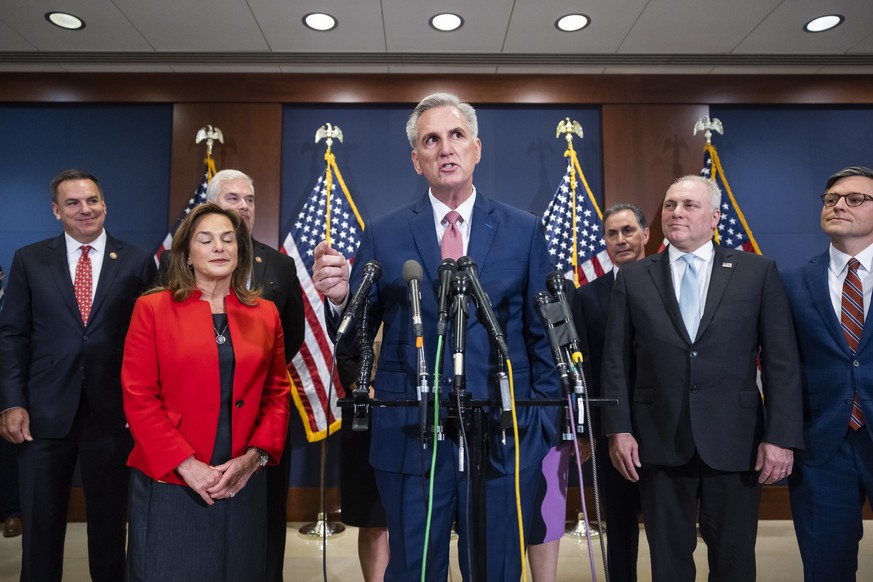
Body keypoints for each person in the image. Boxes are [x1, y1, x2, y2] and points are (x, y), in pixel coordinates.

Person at [311, 92, 560, 581]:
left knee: (496, 569)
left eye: (456, 136)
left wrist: (539, 428)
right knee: (415, 569)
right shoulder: (384, 233)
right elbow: (357, 341)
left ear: (477, 148)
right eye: (431, 140)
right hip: (411, 437)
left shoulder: (523, 229)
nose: (445, 148)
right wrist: (343, 299)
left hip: (502, 437)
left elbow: (542, 336)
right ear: (416, 159)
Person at [602, 175, 803, 582]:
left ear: (714, 217)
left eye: (689, 205)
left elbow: (782, 362)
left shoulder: (757, 271)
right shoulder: (634, 277)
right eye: (671, 205)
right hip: (658, 442)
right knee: (668, 564)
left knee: (734, 562)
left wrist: (781, 436)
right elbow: (616, 362)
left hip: (736, 443)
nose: (677, 213)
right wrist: (618, 430)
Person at [0, 169, 156, 581]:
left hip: (113, 415)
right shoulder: (29, 260)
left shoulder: (139, 260)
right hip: (42, 414)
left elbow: (154, 341)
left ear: (105, 204)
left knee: (109, 527)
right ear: (56, 211)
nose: (84, 209)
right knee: (40, 527)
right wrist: (12, 402)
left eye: (92, 201)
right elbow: (12, 337)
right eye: (72, 203)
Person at [122, 203, 291, 581]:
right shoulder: (152, 309)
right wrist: (186, 465)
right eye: (207, 239)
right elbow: (138, 397)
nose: (219, 247)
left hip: (241, 478)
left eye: (228, 240)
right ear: (186, 253)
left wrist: (254, 458)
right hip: (172, 478)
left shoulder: (264, 313)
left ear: (240, 251)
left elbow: (277, 393)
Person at [158, 169, 305, 581]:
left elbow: (287, 342)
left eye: (250, 199)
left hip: (259, 426)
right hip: (188, 435)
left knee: (259, 534)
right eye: (233, 198)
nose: (243, 207)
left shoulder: (279, 264)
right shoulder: (166, 282)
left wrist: (244, 377)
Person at [782, 166, 873, 582]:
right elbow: (783, 368)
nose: (838, 205)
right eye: (831, 198)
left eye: (855, 199)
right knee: (826, 569)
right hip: (821, 448)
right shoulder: (791, 282)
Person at [574, 203, 649, 582]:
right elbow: (583, 369)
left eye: (628, 231)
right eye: (612, 234)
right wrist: (587, 428)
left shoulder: (671, 282)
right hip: (612, 430)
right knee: (619, 527)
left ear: (646, 234)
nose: (620, 240)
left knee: (670, 526)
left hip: (667, 427)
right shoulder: (587, 297)